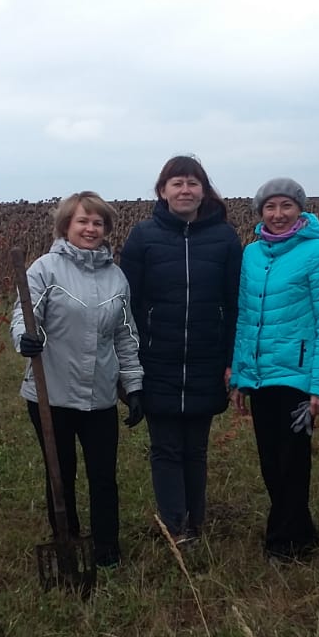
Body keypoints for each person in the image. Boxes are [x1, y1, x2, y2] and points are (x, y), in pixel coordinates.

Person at [11, 192, 144, 568]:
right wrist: (25, 337)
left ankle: (106, 549)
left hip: (100, 394)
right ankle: (66, 541)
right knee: (60, 471)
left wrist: (133, 386)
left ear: (106, 230)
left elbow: (125, 335)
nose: (90, 229)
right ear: (66, 226)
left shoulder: (116, 277)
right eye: (83, 221)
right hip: (50, 392)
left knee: (104, 475)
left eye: (98, 223)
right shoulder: (44, 269)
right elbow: (25, 312)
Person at [119, 156, 242, 543]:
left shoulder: (224, 238)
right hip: (157, 358)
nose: (185, 190)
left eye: (192, 183)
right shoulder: (143, 237)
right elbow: (129, 303)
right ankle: (176, 528)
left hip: (207, 358)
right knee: (166, 447)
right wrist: (132, 363)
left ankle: (197, 521)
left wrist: (230, 360)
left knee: (196, 449)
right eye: (177, 183)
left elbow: (235, 303)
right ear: (163, 191)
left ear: (203, 190)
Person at [230, 178, 319, 561]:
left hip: (297, 376)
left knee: (291, 460)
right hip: (261, 376)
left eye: (286, 206)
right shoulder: (252, 255)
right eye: (270, 208)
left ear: (300, 210)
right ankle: (302, 531)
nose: (278, 215)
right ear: (260, 213)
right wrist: (242, 376)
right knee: (269, 460)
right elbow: (246, 318)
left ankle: (282, 543)